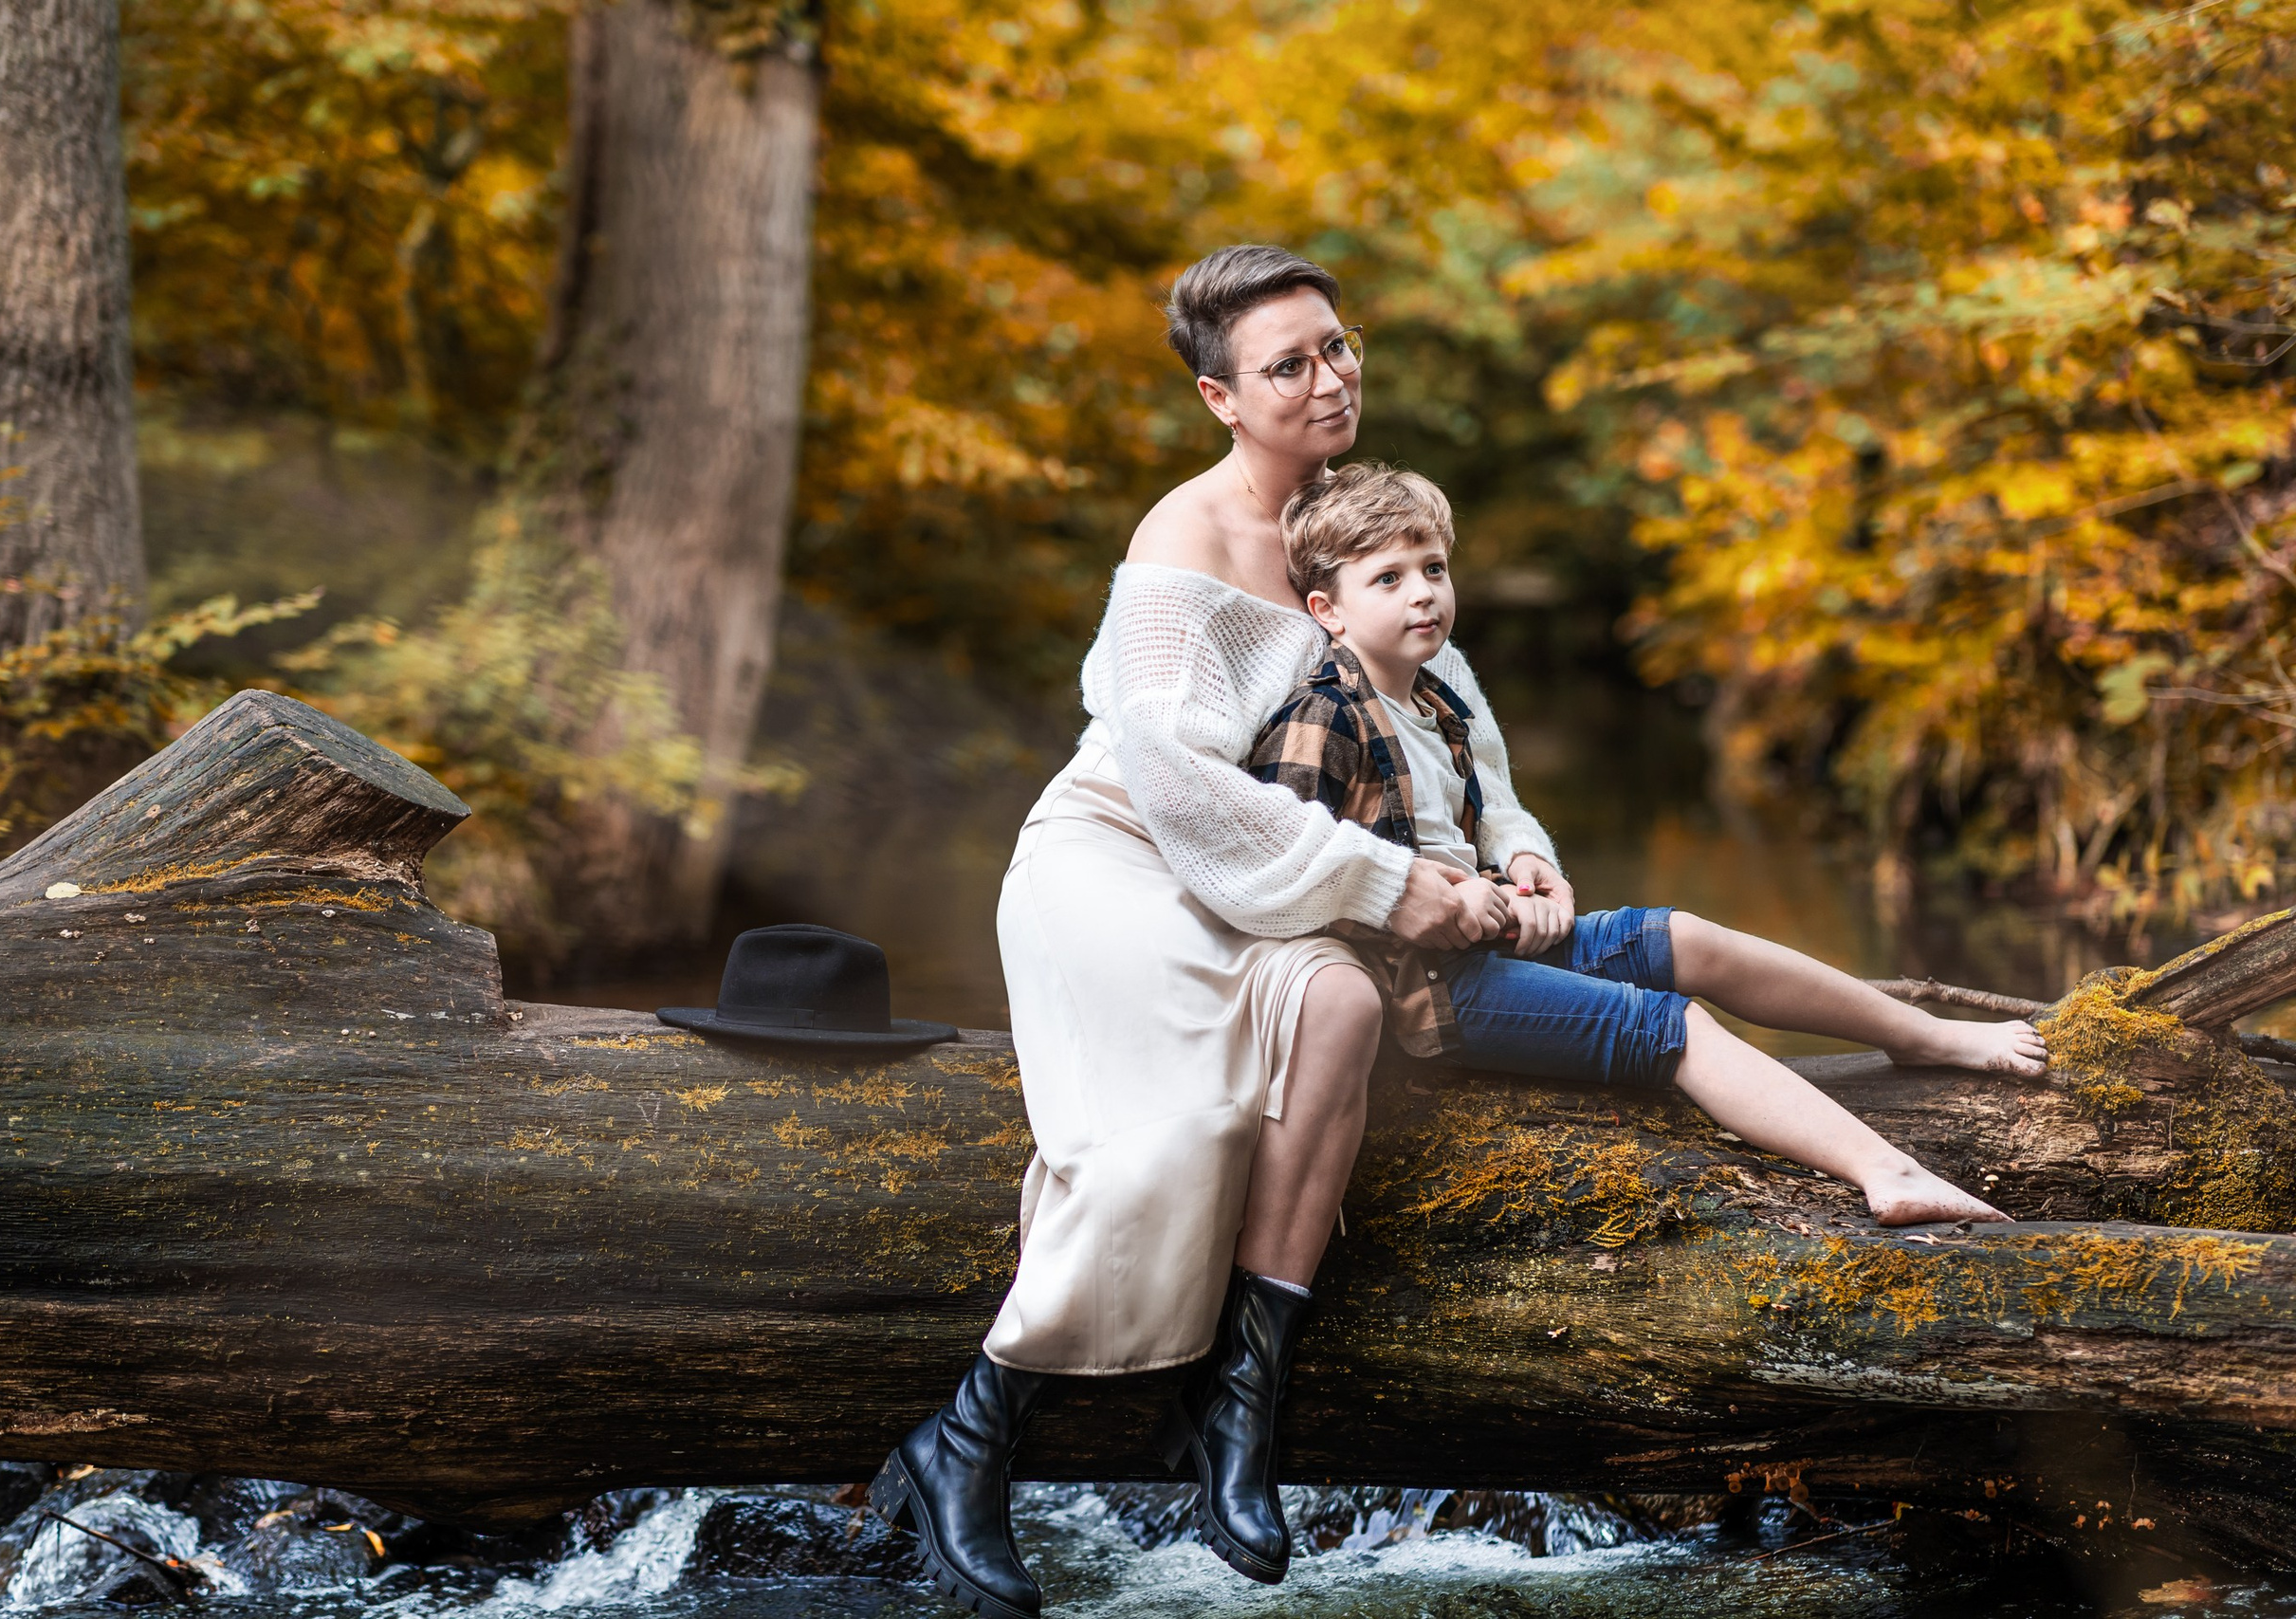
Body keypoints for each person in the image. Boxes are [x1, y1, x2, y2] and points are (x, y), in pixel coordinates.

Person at [871, 246, 1485, 1617]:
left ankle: (1236, 1412)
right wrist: (1389, 889)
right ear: (1221, 395)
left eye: (1338, 346)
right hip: (1123, 859)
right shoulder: (1182, 547)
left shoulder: (1362, 521)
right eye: (1289, 364)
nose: (1330, 378)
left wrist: (1520, 861)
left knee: (1342, 1011)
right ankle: (969, 1429)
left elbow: (1456, 726)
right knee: (1184, 1119)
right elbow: (1179, 783)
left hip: (1271, 877)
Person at [1243, 460, 2046, 1223]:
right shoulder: (1323, 718)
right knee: (1668, 1023)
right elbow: (1300, 870)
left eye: (1433, 570)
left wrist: (1518, 873)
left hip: (1483, 953)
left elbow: (1467, 836)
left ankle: (1926, 1036)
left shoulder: (1436, 706)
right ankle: (1887, 1170)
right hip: (1422, 997)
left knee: (1685, 937)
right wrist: (1451, 896)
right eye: (1388, 579)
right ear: (1328, 611)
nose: (1423, 594)